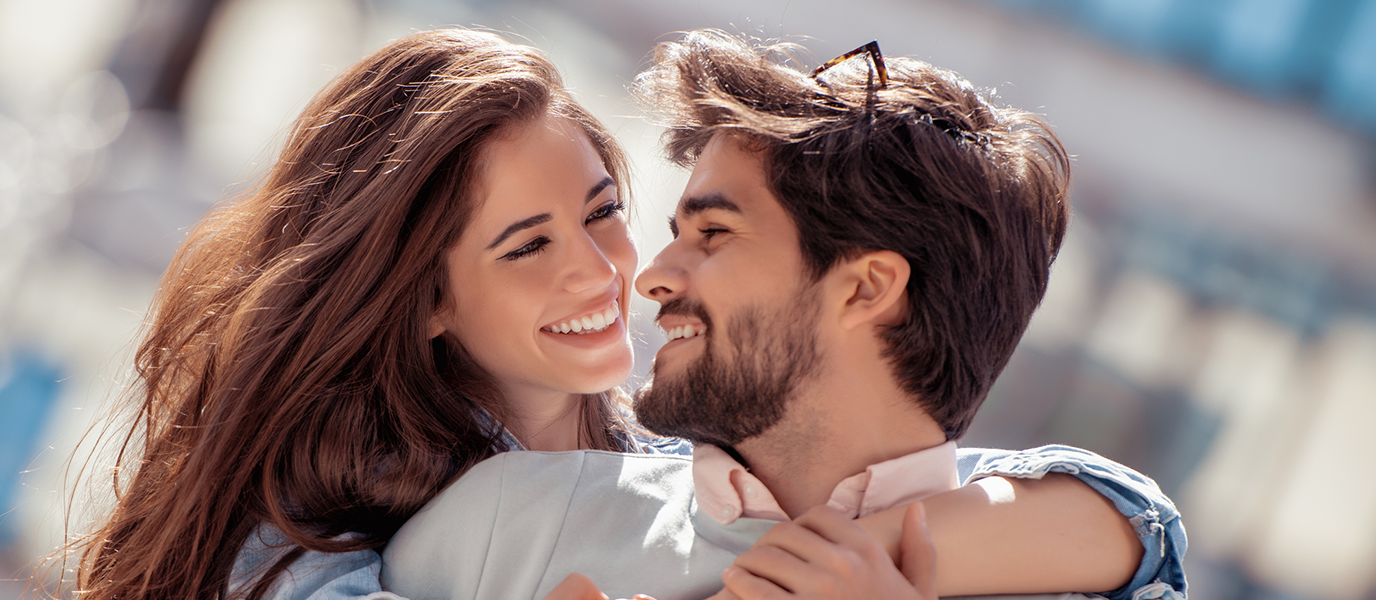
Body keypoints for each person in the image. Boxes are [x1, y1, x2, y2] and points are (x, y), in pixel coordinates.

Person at [63, 28, 1180, 600]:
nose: (630, 273)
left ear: (864, 288)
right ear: (424, 305)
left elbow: (1136, 523)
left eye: (705, 232)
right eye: (523, 245)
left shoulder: (1049, 552)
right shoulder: (484, 522)